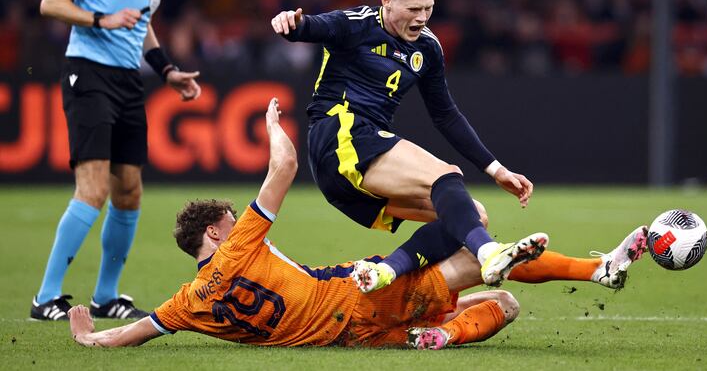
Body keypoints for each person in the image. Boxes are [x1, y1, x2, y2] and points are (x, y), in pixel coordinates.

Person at [66, 98, 649, 350]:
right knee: (475, 244)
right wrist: (270, 125)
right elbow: (284, 167)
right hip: (352, 296)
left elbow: (136, 330)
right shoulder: (237, 245)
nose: (239, 220)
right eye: (230, 218)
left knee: (500, 300)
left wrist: (92, 338)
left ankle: (440, 332)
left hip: (350, 336)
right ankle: (595, 269)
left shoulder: (188, 303)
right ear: (216, 231)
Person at [270, 0, 540, 292]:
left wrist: (497, 170)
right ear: (386, 0)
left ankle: (387, 274)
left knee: (470, 216)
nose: (422, 17)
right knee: (445, 176)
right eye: (413, 9)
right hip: (339, 134)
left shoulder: (427, 49)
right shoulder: (356, 24)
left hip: (355, 171)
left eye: (428, 8)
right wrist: (290, 24)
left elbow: (445, 114)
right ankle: (490, 253)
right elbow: (310, 26)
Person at [31, 0, 201, 321]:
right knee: (93, 189)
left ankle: (106, 296)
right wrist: (100, 19)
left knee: (128, 191)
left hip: (128, 79)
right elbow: (51, 2)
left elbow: (142, 23)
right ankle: (45, 296)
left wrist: (166, 70)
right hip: (87, 72)